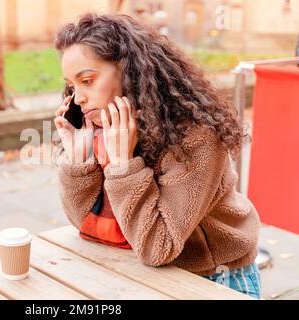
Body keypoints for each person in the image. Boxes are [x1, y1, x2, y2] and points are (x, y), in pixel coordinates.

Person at [53, 13, 261, 299]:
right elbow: (86, 225)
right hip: (142, 276)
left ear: (128, 71)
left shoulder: (196, 136)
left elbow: (156, 247)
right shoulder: (105, 131)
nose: (78, 98)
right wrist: (79, 162)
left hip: (213, 279)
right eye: (72, 86)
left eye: (87, 80)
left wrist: (122, 165)